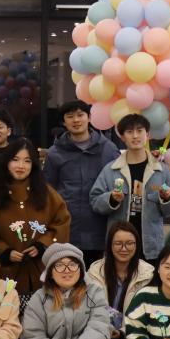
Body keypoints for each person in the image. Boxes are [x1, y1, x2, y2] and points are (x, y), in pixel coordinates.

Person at [0, 137, 71, 302]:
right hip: (6, 275)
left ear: (34, 165)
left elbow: (62, 222)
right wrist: (4, 251)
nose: (21, 166)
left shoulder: (47, 193)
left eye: (27, 161)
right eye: (15, 160)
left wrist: (42, 245)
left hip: (43, 273)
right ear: (6, 162)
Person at [90, 114, 170, 264]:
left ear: (147, 135)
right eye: (129, 131)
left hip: (151, 248)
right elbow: (95, 200)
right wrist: (111, 199)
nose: (135, 136)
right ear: (122, 136)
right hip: (120, 247)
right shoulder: (111, 170)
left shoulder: (161, 171)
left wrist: (168, 198)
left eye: (139, 131)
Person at [44, 100, 120, 265]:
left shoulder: (108, 149)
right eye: (70, 116)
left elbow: (117, 186)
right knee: (67, 273)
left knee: (98, 276)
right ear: (63, 122)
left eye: (80, 115)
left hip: (101, 229)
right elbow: (49, 192)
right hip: (67, 229)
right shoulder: (54, 153)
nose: (76, 120)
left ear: (89, 117)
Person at [87, 221, 154, 339]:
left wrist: (122, 331)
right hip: (101, 335)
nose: (124, 248)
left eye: (129, 243)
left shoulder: (148, 274)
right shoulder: (95, 271)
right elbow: (87, 308)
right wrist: (106, 329)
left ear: (137, 245)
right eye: (118, 243)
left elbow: (149, 315)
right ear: (110, 245)